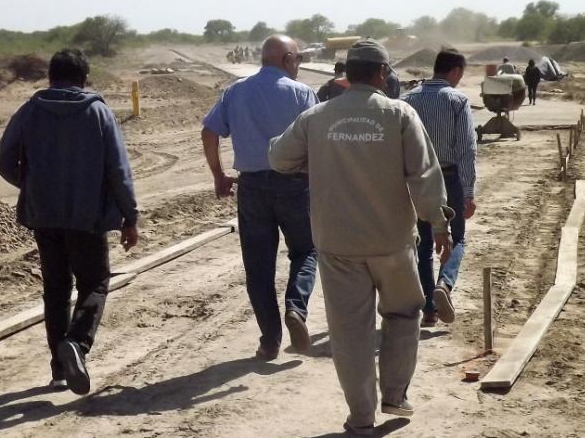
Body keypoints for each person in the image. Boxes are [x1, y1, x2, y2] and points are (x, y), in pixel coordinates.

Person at [269, 39, 452, 435]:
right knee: (404, 316)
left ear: (346, 75)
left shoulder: (316, 117)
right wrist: (438, 223)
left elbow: (279, 158)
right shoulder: (399, 114)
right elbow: (423, 175)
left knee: (350, 333)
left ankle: (361, 418)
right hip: (393, 244)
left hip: (338, 246)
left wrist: (312, 159)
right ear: (382, 74)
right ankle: (395, 395)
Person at [0, 48, 139, 395]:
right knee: (95, 282)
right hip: (87, 218)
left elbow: (3, 161)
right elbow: (118, 171)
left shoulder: (30, 111)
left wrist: (31, 188)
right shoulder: (99, 113)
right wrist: (129, 217)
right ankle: (76, 342)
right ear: (84, 78)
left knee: (56, 289)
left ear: (50, 77)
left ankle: (59, 370)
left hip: (44, 216)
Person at [201, 35, 318, 360]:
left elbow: (209, 131)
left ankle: (270, 340)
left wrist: (218, 175)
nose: (298, 65)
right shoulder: (302, 93)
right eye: (297, 59)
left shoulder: (236, 91)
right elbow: (318, 141)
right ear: (287, 60)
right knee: (307, 251)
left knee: (258, 266)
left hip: (251, 188)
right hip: (295, 186)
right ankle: (296, 308)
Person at [401, 48, 477, 327]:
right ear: (455, 71)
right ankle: (444, 285)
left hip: (416, 180)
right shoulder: (457, 101)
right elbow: (467, 150)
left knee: (421, 242)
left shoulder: (406, 100)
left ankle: (429, 310)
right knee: (457, 238)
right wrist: (468, 192)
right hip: (448, 177)